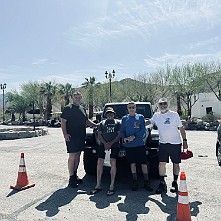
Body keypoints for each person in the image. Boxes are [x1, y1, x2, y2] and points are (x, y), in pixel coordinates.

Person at [146, 98, 188, 194]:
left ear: (167, 104)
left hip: (175, 144)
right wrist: (139, 123)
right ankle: (162, 183)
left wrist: (185, 141)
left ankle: (175, 182)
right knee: (161, 164)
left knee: (176, 164)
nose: (163, 105)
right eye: (161, 104)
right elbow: (149, 122)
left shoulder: (174, 115)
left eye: (165, 104)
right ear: (158, 105)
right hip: (163, 144)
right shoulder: (156, 115)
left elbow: (181, 128)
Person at [61, 91, 98, 188]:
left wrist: (96, 125)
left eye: (79, 97)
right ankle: (71, 177)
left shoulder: (82, 109)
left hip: (81, 135)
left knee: (78, 155)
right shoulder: (68, 108)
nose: (78, 99)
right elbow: (63, 122)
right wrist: (65, 134)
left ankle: (75, 174)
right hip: (71, 136)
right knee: (72, 156)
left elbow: (86, 121)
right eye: (76, 97)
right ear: (73, 98)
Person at [120, 102, 153, 191]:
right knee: (132, 163)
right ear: (127, 109)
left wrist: (134, 136)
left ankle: (146, 181)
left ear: (135, 108)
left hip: (139, 144)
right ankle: (135, 181)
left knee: (143, 163)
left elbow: (143, 129)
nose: (131, 109)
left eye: (133, 107)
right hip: (129, 146)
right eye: (130, 107)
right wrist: (124, 138)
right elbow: (122, 131)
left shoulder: (140, 117)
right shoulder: (124, 119)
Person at [90, 107, 121, 196]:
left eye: (111, 113)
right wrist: (105, 143)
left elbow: (119, 134)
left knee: (113, 162)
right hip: (103, 145)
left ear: (114, 114)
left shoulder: (117, 123)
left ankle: (111, 185)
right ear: (105, 115)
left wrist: (110, 143)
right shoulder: (102, 123)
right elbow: (99, 134)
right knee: (100, 162)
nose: (109, 115)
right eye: (108, 113)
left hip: (114, 145)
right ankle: (98, 184)